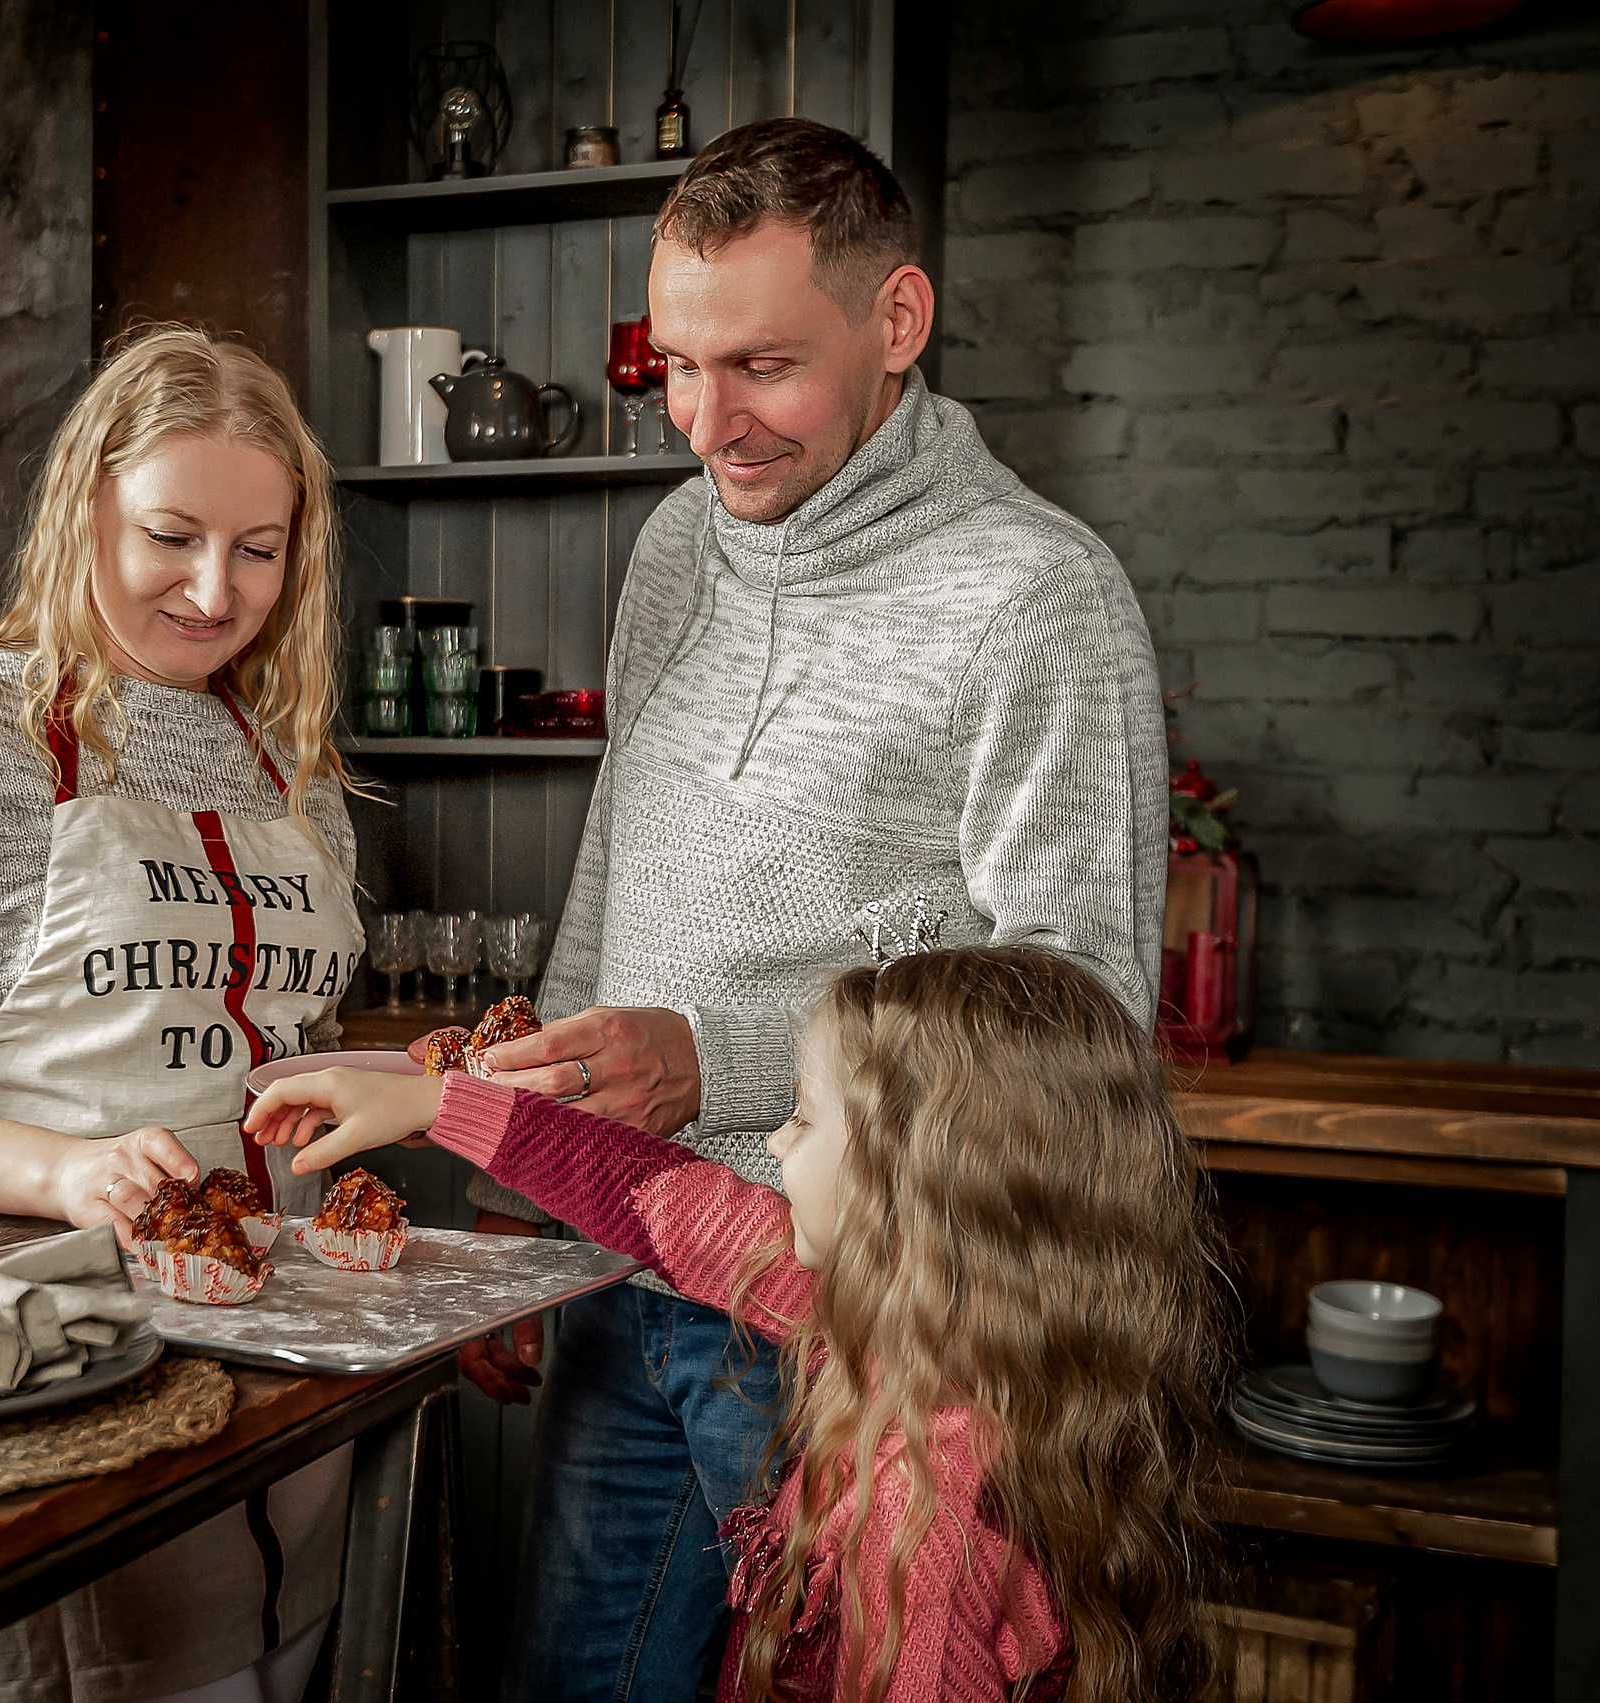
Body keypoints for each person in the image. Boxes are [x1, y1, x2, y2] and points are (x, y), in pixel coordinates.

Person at [438, 118, 1172, 1702]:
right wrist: (527, 1201)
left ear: (895, 323)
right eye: (675, 366)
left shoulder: (1036, 594)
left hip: (844, 1312)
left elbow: (1079, 1012)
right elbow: (614, 860)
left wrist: (725, 1055)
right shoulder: (674, 548)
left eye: (762, 365)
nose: (709, 424)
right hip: (620, 1264)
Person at [0, 325, 365, 1703]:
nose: (214, 587)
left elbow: (279, 1040)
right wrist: (65, 1170)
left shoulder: (294, 769)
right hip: (53, 1365)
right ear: (83, 507)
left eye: (259, 548)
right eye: (171, 534)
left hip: (290, 1368)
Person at [255, 946, 1223, 1703]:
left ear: (902, 1192)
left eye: (801, 1119)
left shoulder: (920, 1526)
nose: (768, 1142)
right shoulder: (902, 1320)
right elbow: (657, 1199)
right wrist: (435, 1101)